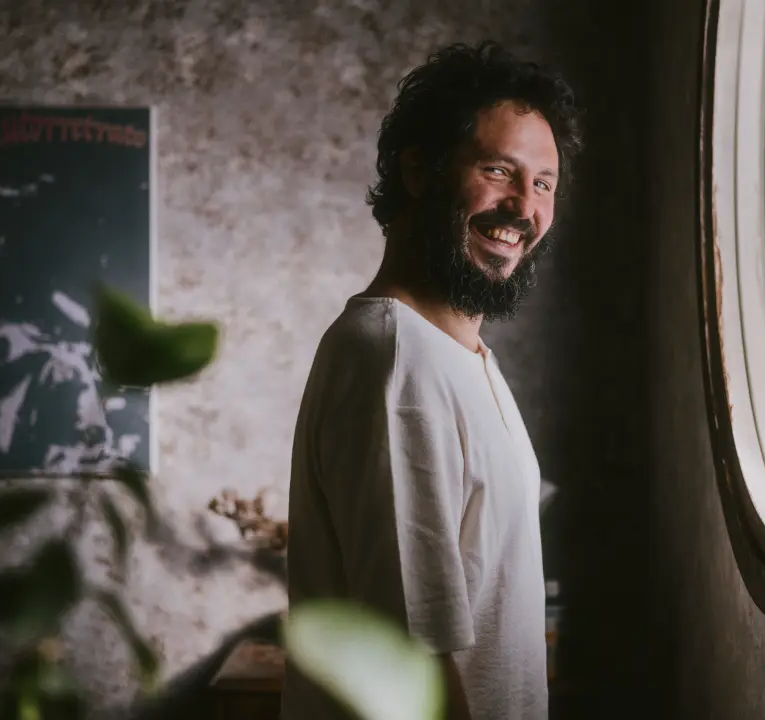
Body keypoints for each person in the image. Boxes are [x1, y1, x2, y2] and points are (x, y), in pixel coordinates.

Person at [281, 40, 583, 720]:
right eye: (498, 170)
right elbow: (411, 659)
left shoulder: (462, 356)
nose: (524, 207)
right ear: (419, 171)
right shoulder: (394, 358)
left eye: (543, 183)